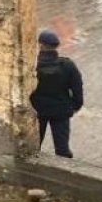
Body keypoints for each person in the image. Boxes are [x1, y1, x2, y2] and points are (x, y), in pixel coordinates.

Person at [30, 29, 83, 158]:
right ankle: (65, 171)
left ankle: (32, 169)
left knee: (33, 146)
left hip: (37, 110)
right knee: (62, 148)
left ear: (40, 45)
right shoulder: (68, 65)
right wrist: (75, 106)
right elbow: (77, 88)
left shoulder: (32, 66)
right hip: (61, 111)